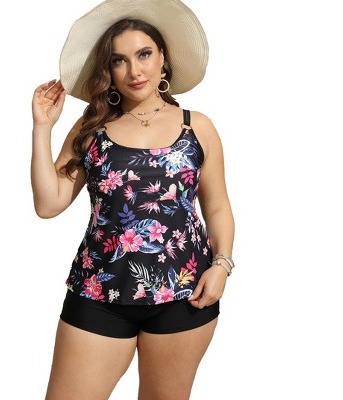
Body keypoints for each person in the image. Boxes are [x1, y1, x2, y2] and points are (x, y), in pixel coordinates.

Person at [31, 0, 235, 399]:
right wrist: (42, 128)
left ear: (163, 59)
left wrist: (222, 265)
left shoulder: (197, 127)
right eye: (119, 60)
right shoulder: (92, 127)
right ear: (108, 70)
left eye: (144, 54)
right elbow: (48, 203)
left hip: (184, 294)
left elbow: (217, 206)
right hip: (98, 293)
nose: (134, 70)